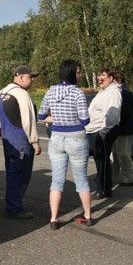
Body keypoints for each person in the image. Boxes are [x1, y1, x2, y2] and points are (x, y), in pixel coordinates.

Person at [38, 60, 92, 229]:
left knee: (57, 180)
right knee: (81, 179)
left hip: (56, 138)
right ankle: (88, 216)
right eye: (78, 72)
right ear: (71, 73)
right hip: (76, 139)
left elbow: (41, 116)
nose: (79, 75)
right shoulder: (77, 93)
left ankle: (54, 219)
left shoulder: (50, 91)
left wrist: (57, 119)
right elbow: (85, 120)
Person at [0, 65, 42, 219]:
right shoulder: (22, 94)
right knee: (20, 175)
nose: (32, 80)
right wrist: (35, 143)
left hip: (7, 138)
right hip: (21, 139)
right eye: (30, 77)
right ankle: (15, 208)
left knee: (11, 173)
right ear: (21, 77)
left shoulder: (0, 93)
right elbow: (29, 121)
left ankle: (11, 204)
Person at [85, 68, 121, 199]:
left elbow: (112, 114)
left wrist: (103, 132)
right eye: (98, 77)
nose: (100, 79)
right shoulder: (103, 91)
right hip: (95, 130)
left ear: (111, 78)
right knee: (99, 158)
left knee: (102, 159)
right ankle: (103, 186)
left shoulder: (113, 93)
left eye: (103, 77)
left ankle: (104, 189)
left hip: (103, 130)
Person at [111, 70, 133, 186]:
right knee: (116, 154)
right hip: (119, 128)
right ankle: (115, 176)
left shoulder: (125, 93)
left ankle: (130, 178)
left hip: (123, 129)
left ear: (118, 80)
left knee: (123, 154)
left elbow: (123, 112)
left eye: (112, 80)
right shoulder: (121, 91)